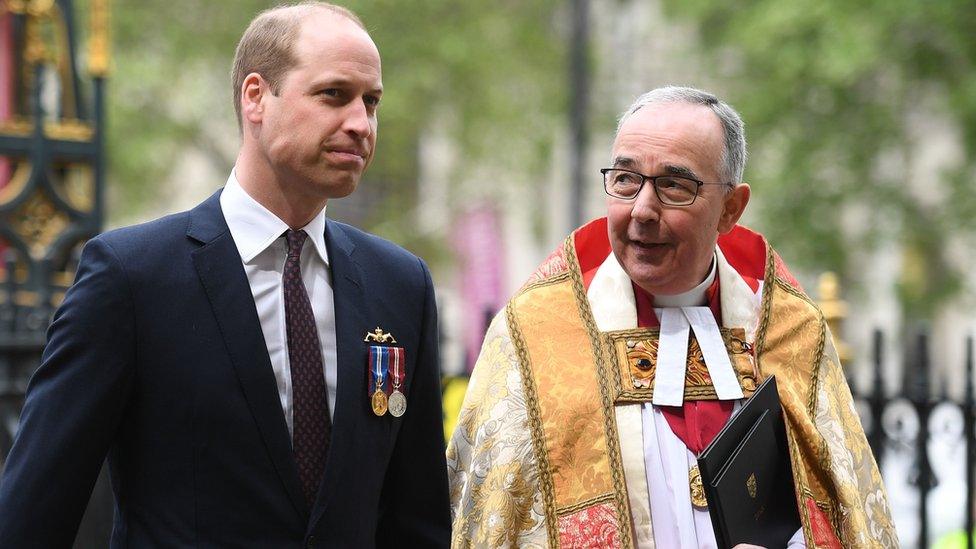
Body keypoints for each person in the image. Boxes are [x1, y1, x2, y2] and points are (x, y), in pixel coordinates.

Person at [0, 3, 450, 547]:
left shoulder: (400, 284)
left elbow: (418, 519)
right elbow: (33, 511)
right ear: (256, 97)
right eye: (334, 94)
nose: (360, 123)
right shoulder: (133, 277)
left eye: (371, 101)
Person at [447, 86, 896, 548]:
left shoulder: (787, 330)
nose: (642, 210)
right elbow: (488, 523)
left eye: (674, 185)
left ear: (731, 209)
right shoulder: (535, 336)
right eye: (625, 179)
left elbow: (847, 518)